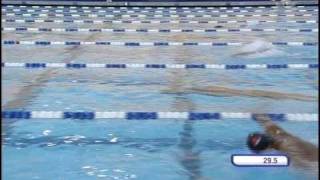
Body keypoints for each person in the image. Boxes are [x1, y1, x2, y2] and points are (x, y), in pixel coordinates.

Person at [247, 114, 318, 173]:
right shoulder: (272, 131)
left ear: (266, 149)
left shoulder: (288, 148)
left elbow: (310, 166)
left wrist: (296, 165)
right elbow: (263, 119)